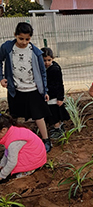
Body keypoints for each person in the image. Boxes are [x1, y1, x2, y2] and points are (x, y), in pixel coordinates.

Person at [0, 22, 52, 152]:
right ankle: (14, 142)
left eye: (27, 39)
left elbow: (42, 72)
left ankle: (46, 140)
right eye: (21, 38)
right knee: (14, 116)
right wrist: (1, 78)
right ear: (15, 35)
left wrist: (44, 90)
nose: (24, 42)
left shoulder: (35, 52)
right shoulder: (7, 48)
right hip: (15, 89)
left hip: (33, 89)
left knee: (38, 116)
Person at [0, 113, 47, 180]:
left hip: (34, 162)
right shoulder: (13, 132)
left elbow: (12, 162)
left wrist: (2, 175)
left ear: (3, 130)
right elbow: (7, 152)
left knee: (14, 178)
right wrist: (1, 165)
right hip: (35, 155)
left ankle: (28, 171)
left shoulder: (13, 143)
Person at [41, 47, 70, 139]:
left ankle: (58, 129)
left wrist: (60, 97)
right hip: (47, 96)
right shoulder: (42, 69)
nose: (46, 63)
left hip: (53, 96)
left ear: (52, 59)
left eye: (49, 60)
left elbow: (59, 84)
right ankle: (57, 127)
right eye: (44, 60)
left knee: (54, 113)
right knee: (51, 112)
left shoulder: (55, 69)